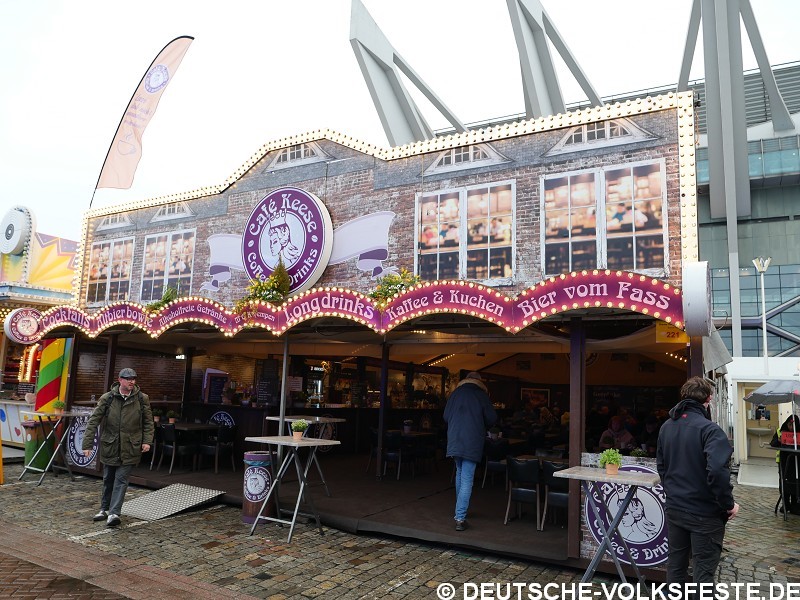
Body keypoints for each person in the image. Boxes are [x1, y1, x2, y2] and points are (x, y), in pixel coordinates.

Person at [656, 376, 738, 585]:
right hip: (705, 514)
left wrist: (672, 494)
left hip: (675, 508)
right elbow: (718, 472)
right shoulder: (711, 430)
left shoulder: (667, 427)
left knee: (676, 565)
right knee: (703, 573)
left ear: (684, 396)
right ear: (708, 399)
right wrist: (728, 505)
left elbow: (662, 467)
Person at [82, 368, 154, 528]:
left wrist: (147, 441)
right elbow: (94, 421)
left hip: (131, 446)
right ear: (120, 380)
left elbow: (148, 422)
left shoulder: (142, 398)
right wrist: (87, 444)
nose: (132, 382)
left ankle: (114, 513)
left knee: (121, 480)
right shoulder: (108, 398)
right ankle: (104, 509)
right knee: (108, 479)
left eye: (134, 379)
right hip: (111, 445)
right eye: (128, 379)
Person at [443, 372, 497, 531]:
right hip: (472, 441)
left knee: (460, 473)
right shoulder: (481, 395)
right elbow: (492, 418)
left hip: (455, 438)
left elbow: (445, 416)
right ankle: (460, 518)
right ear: (479, 382)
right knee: (467, 478)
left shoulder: (455, 394)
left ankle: (459, 510)